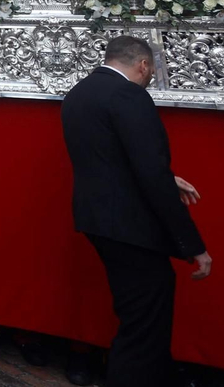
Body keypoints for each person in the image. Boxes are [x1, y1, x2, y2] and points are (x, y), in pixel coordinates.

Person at [61, 36, 210, 387]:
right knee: (143, 322)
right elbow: (149, 173)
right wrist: (193, 245)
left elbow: (109, 154)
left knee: (140, 310)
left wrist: (166, 177)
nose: (149, 77)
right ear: (143, 65)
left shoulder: (80, 92)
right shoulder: (129, 95)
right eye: (151, 71)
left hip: (97, 219)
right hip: (128, 224)